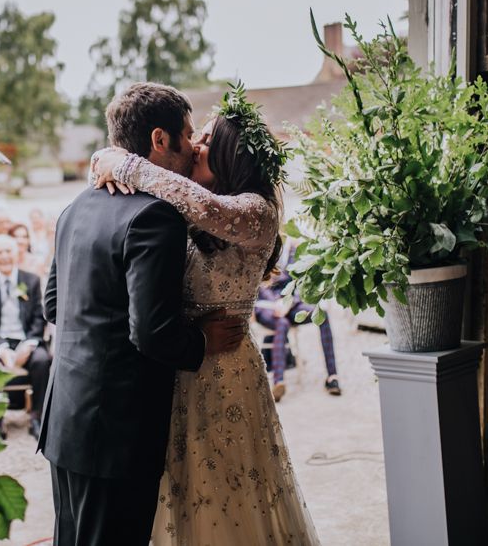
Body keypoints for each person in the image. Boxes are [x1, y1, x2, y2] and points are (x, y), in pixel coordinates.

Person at [92, 83, 321, 545]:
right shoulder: (184, 207)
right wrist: (105, 160)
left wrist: (121, 160)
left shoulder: (255, 213)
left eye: (207, 141)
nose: (194, 145)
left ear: (231, 158)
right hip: (179, 367)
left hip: (226, 370)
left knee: (232, 494)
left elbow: (206, 206)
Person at [38, 82, 246, 546]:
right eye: (188, 134)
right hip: (116, 431)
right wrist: (205, 340)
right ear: (159, 139)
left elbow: (53, 305)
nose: (194, 146)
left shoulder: (76, 206)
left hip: (65, 419)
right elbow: (152, 334)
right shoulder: (155, 216)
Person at [0, 234, 51, 439]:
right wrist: (1, 349)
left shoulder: (30, 280)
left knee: (43, 360)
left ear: (16, 254)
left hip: (25, 339)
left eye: (9, 251)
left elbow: (38, 316)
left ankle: (36, 416)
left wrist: (29, 344)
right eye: (0, 252)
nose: (5, 256)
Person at [254, 243, 341, 401]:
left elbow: (299, 282)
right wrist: (276, 303)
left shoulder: (292, 251)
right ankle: (278, 382)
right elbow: (258, 284)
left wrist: (289, 302)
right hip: (266, 306)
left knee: (321, 314)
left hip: (289, 304)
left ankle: (332, 376)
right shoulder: (260, 245)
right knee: (282, 324)